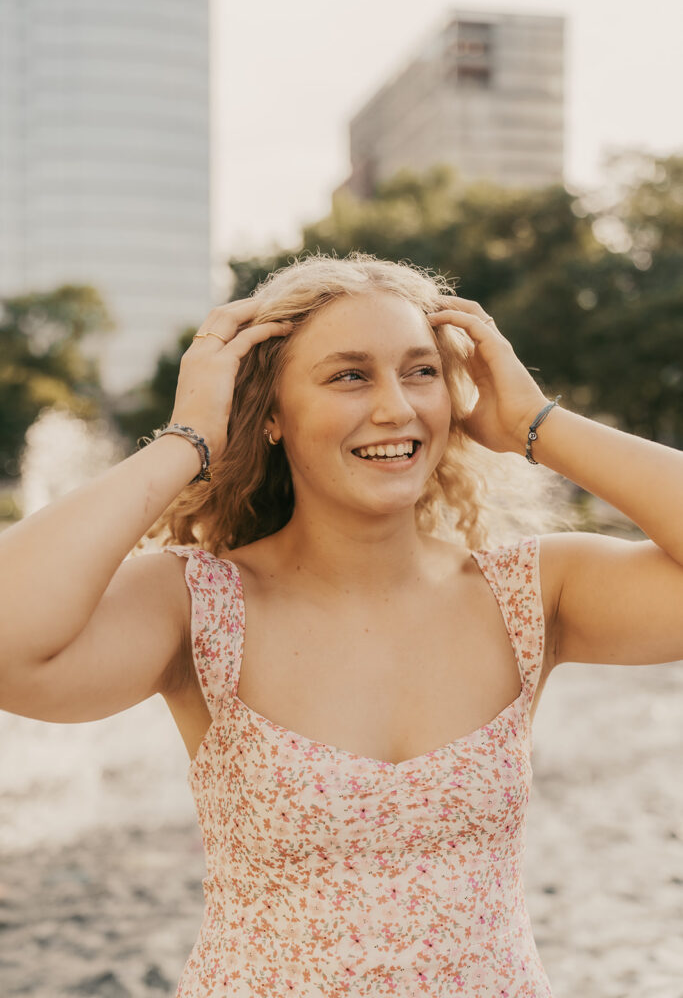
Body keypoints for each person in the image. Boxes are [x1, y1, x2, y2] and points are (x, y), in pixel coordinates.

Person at [1, 252, 681, 997]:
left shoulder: (530, 593)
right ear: (267, 414)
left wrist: (535, 424)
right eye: (349, 375)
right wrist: (189, 440)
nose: (396, 406)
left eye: (420, 371)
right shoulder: (197, 605)